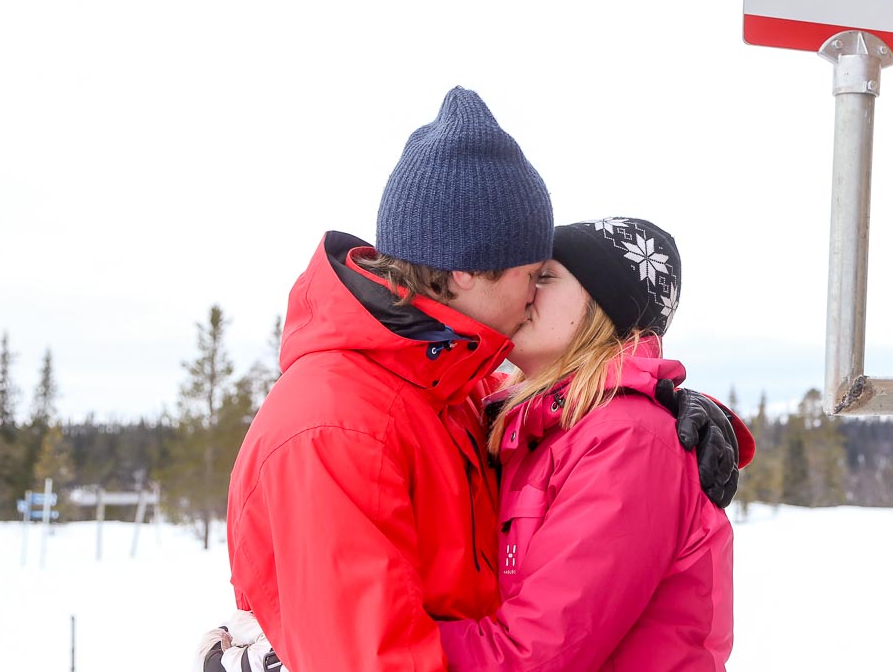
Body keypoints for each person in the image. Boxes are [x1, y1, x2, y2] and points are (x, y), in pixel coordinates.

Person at [215, 87, 742, 671]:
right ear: (467, 271)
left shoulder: (457, 389)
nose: (530, 293)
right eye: (530, 272)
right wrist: (286, 651)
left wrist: (662, 404)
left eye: (549, 275)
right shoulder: (338, 427)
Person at [438, 217, 751, 670]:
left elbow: (535, 655)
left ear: (603, 309)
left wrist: (362, 637)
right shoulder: (537, 430)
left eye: (543, 277)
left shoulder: (626, 440)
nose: (522, 291)